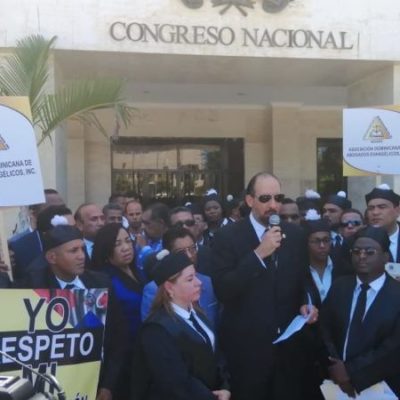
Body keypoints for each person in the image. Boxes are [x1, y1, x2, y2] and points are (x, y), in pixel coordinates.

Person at [212, 172, 318, 400]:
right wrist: (259, 254)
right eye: (265, 199)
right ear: (250, 201)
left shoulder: (296, 235)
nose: (273, 205)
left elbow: (304, 280)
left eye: (278, 198)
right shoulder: (226, 237)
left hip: (289, 351)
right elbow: (224, 289)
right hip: (247, 353)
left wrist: (306, 303)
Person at [15, 224, 128, 400]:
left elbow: (118, 338)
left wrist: (108, 386)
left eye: (82, 249)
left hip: (99, 384)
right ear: (52, 257)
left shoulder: (100, 283)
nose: (82, 256)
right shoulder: (31, 288)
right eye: (73, 251)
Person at [131, 251, 230, 400]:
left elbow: (215, 354)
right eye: (190, 279)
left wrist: (225, 387)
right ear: (170, 288)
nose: (199, 282)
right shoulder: (156, 329)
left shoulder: (198, 314)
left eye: (195, 276)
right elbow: (175, 381)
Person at [321, 226, 400, 398]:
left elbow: (394, 347)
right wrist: (336, 366)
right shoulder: (340, 286)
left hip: (384, 386)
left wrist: (351, 372)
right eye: (356, 252)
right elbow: (325, 328)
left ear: (386, 256)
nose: (361, 256)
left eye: (370, 252)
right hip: (336, 384)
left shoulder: (397, 294)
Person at [92, 223, 143, 400]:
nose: (126, 248)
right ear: (106, 250)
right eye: (117, 244)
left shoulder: (140, 271)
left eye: (128, 241)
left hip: (143, 350)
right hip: (122, 355)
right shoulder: (104, 280)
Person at [141, 227, 219, 327]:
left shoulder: (207, 282)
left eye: (192, 249)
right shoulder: (154, 289)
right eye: (181, 252)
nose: (190, 256)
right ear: (167, 253)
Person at [365, 184, 400, 262]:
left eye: (382, 207)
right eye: (371, 208)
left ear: (397, 211)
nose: (375, 212)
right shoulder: (357, 239)